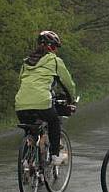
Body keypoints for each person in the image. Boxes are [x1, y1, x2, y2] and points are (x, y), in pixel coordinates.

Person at [15, 30, 77, 166]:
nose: (55, 51)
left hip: (21, 105)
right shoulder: (54, 61)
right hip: (42, 102)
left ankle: (27, 160)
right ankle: (55, 156)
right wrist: (71, 99)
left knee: (31, 130)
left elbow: (21, 82)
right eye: (54, 47)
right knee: (54, 122)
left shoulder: (26, 62)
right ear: (50, 47)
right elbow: (67, 83)